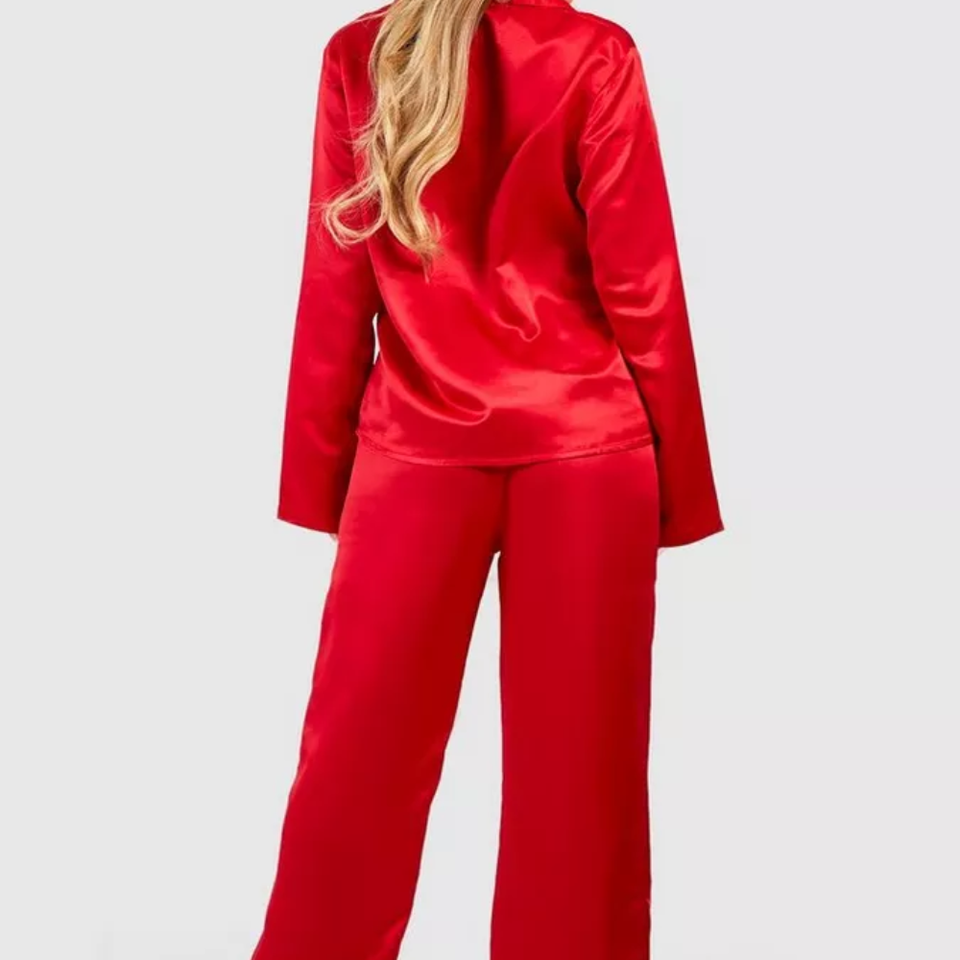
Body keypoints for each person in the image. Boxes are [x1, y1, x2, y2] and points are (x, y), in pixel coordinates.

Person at [252, 0, 724, 958]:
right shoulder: (595, 55)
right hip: (586, 446)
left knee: (358, 758)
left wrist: (320, 474)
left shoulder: (364, 53)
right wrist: (683, 486)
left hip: (412, 449)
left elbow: (336, 281)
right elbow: (642, 285)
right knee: (582, 779)